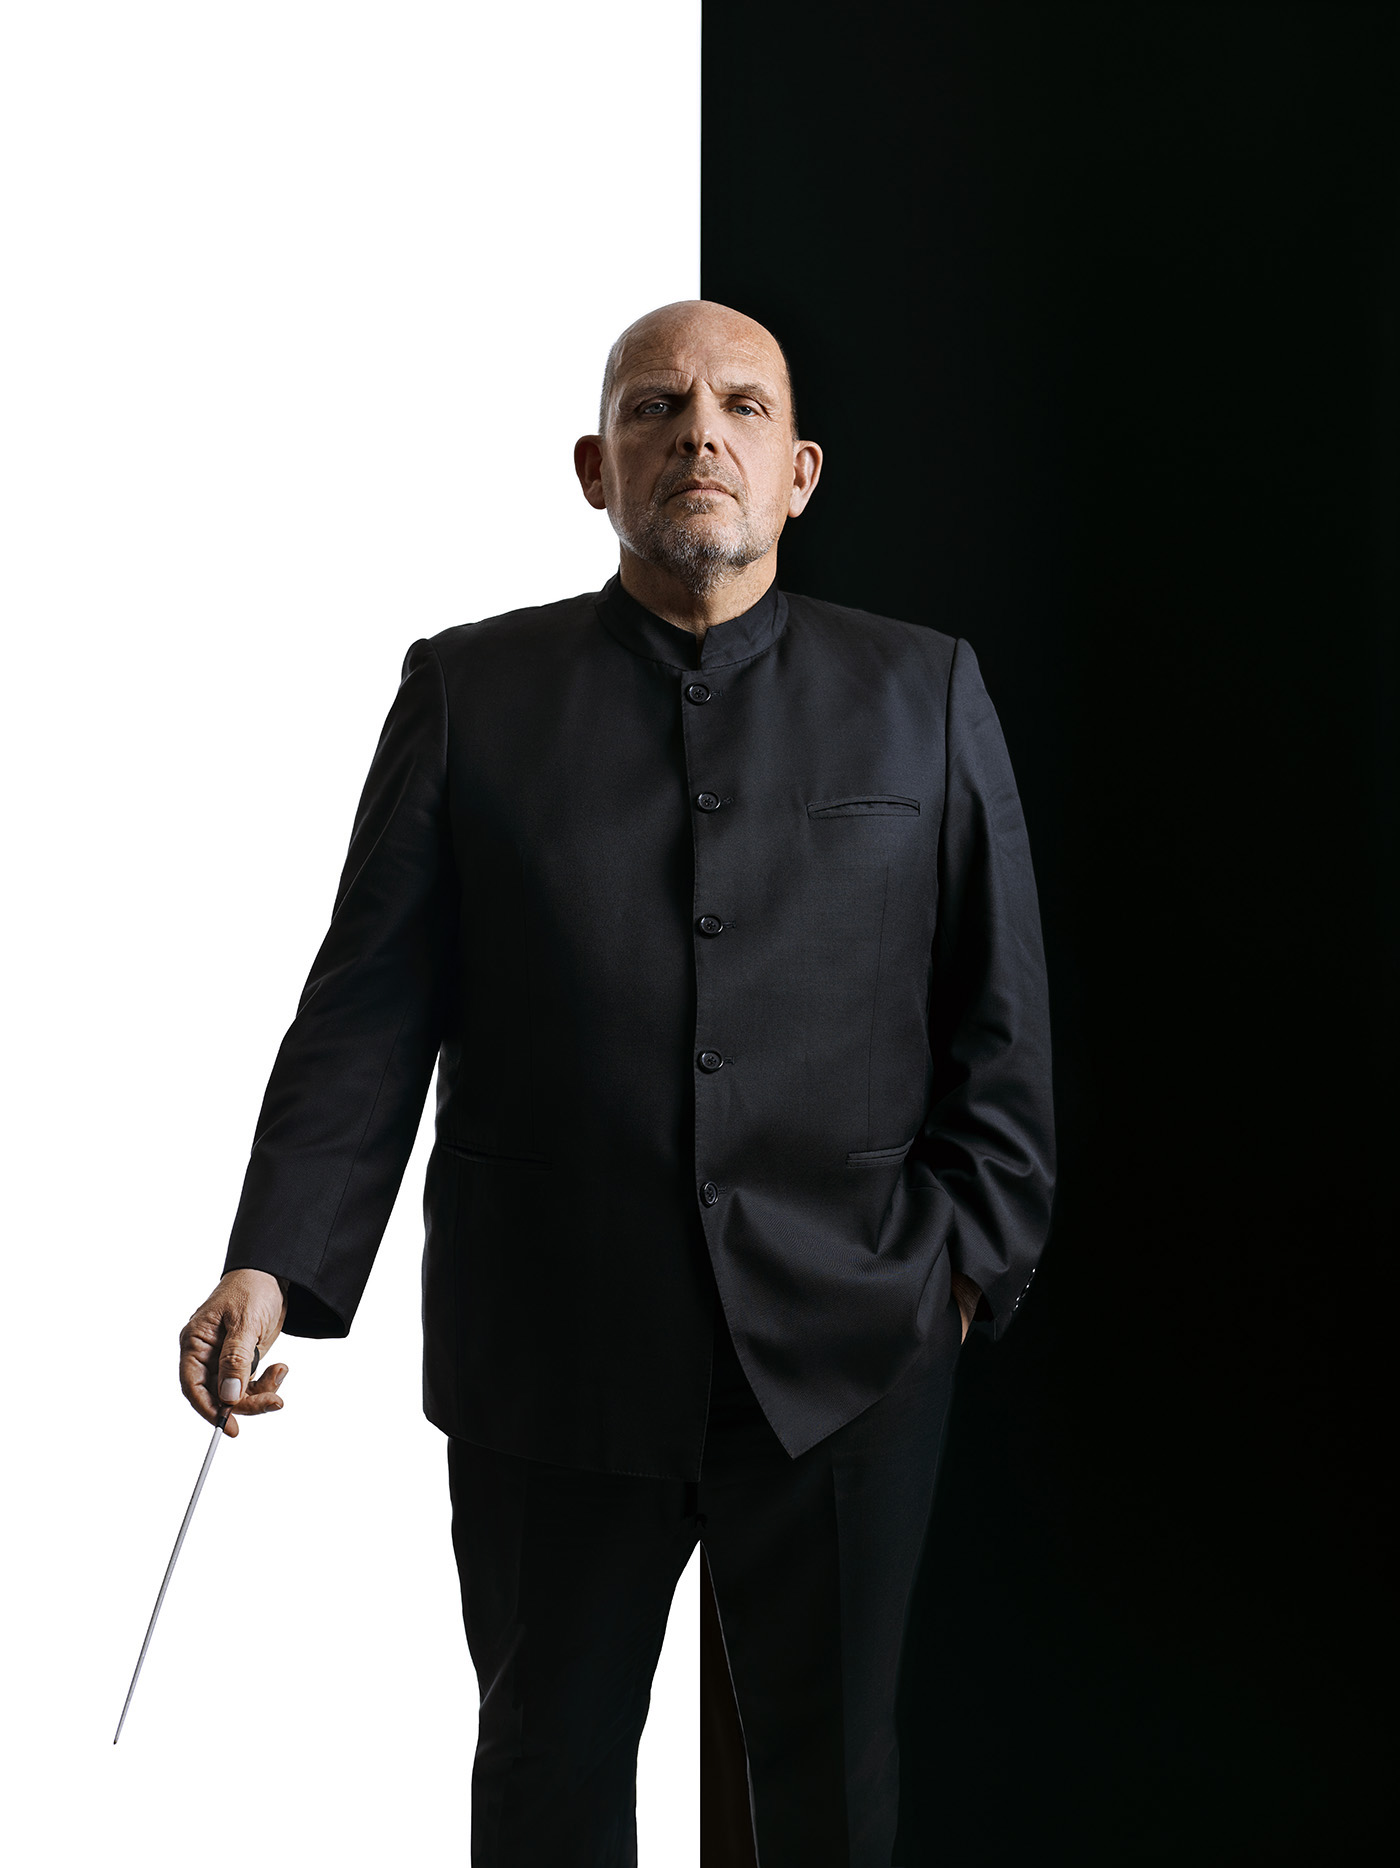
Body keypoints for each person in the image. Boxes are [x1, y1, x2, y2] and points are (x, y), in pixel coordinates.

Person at [178, 300, 1055, 1867]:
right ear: (596, 468)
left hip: (851, 1345)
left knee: (832, 1792)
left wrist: (965, 1270)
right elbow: (369, 1008)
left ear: (799, 472)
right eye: (655, 407)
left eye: (740, 407)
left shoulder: (922, 689)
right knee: (544, 1777)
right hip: (551, 1355)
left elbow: (1001, 1012)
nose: (698, 431)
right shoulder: (470, 691)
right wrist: (273, 1260)